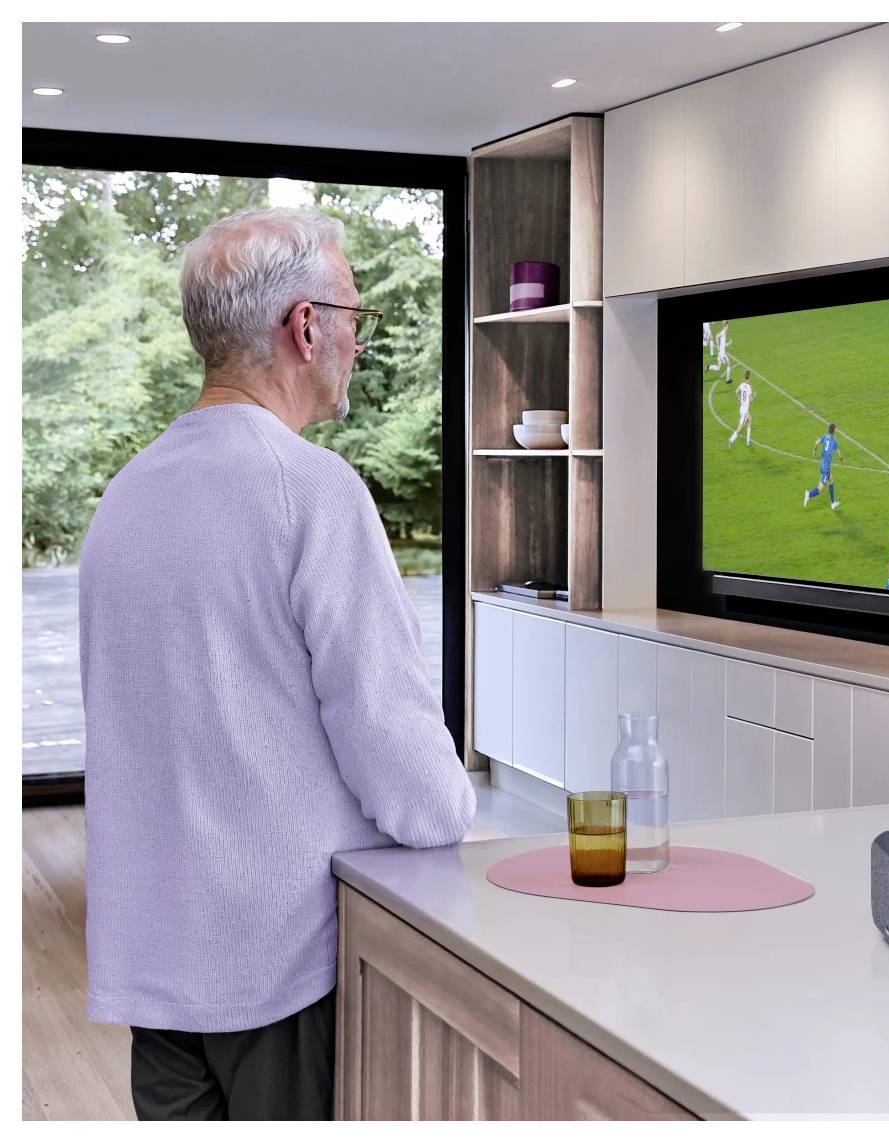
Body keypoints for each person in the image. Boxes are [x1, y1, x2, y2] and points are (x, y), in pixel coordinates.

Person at [78, 207, 476, 1121]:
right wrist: (453, 814)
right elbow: (393, 742)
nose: (355, 343)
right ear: (305, 327)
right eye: (354, 317)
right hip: (279, 965)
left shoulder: (126, 496)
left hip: (157, 961)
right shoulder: (312, 492)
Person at [803, 422, 845, 510]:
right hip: (825, 468)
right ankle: (808, 494)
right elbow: (839, 454)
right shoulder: (834, 441)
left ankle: (833, 503)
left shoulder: (824, 437)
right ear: (834, 431)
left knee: (831, 481)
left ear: (828, 430)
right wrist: (843, 461)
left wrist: (814, 451)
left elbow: (816, 442)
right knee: (820, 489)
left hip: (824, 465)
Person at [728, 370, 756, 450]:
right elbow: (752, 400)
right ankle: (731, 440)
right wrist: (754, 396)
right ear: (749, 378)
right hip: (744, 412)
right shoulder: (749, 388)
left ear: (744, 377)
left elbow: (736, 391)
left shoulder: (742, 384)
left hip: (742, 408)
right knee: (739, 429)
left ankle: (748, 441)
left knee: (750, 420)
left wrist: (739, 398)